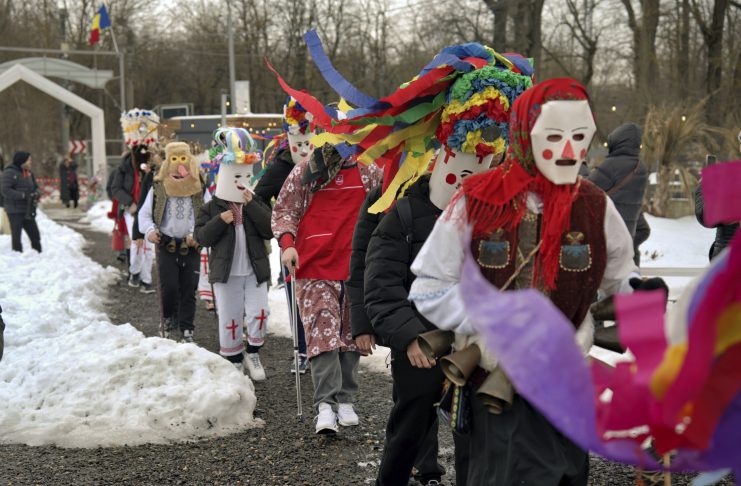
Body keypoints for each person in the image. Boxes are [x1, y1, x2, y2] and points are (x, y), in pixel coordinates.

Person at [409, 78, 647, 485]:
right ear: (524, 135)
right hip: (496, 386)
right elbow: (430, 286)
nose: (569, 150)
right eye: (554, 136)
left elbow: (622, 277)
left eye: (579, 137)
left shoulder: (595, 205)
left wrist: (641, 297)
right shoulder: (475, 199)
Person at [358, 48, 533, 486]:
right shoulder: (404, 213)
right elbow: (381, 284)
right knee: (409, 429)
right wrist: (409, 337)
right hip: (419, 344)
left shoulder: (498, 216)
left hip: (476, 342)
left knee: (476, 433)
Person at [272, 141, 382, 434]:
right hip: (313, 265)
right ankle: (324, 404)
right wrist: (287, 244)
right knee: (322, 331)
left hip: (355, 266)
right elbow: (285, 210)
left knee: (351, 333)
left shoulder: (369, 170)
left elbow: (384, 208)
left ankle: (345, 399)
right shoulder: (307, 169)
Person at [195, 128, 273, 379]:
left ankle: (253, 352)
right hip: (226, 273)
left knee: (260, 313)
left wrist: (252, 206)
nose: (241, 181)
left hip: (254, 270)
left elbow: (269, 229)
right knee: (229, 318)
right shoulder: (211, 207)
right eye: (236, 175)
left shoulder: (254, 202)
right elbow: (201, 237)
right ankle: (234, 358)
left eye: (246, 175)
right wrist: (220, 221)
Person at [255, 96, 315, 374]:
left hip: (325, 238)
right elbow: (258, 197)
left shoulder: (324, 159)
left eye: (307, 142)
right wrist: (277, 223)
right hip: (293, 242)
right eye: (297, 143)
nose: (303, 149)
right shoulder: (281, 166)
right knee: (296, 295)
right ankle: (302, 350)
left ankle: (325, 347)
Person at [139, 141, 203, 343]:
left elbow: (206, 214)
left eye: (183, 159)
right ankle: (168, 317)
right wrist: (150, 231)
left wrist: (197, 233)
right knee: (169, 287)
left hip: (191, 245)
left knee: (189, 287)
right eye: (174, 159)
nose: (179, 164)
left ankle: (187, 328)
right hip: (166, 243)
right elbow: (144, 214)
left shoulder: (198, 188)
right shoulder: (159, 188)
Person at [111, 108, 159, 293]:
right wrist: (129, 203)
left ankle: (143, 278)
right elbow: (116, 188)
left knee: (147, 245)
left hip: (148, 210)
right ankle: (136, 274)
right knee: (137, 243)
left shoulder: (154, 166)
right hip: (131, 210)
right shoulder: (124, 166)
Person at [588, 123, 649, 266]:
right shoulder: (640, 166)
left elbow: (587, 189)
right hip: (628, 239)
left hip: (607, 235)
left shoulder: (612, 165)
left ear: (618, 140)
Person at [1, 151, 41, 252]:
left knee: (35, 235)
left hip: (28, 209)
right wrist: (23, 195)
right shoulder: (9, 172)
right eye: (29, 159)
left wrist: (36, 193)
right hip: (14, 210)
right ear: (22, 160)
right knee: (16, 237)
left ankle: (38, 255)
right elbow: (5, 190)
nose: (31, 161)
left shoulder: (29, 173)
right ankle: (17, 256)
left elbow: (36, 187)